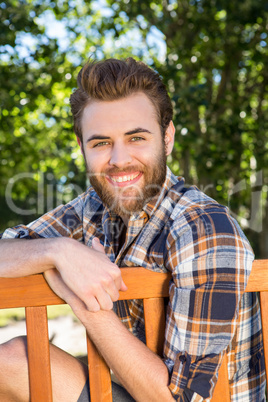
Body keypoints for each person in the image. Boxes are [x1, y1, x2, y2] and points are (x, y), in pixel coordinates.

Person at [0, 57, 266, 402]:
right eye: (100, 143)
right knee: (13, 360)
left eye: (136, 137)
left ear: (166, 138)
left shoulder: (203, 229)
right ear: (82, 147)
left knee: (13, 362)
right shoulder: (92, 209)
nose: (119, 159)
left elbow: (181, 400)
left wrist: (87, 303)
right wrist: (58, 251)